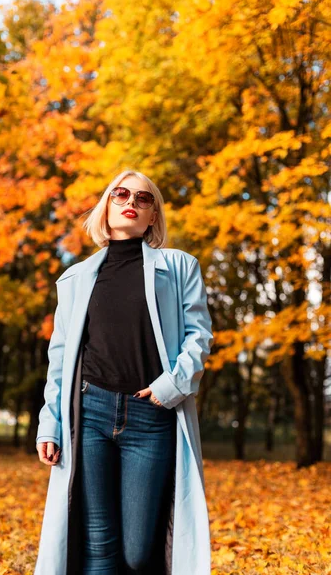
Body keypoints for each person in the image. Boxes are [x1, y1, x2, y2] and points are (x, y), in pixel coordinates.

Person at [34, 169, 214, 575]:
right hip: (91, 413)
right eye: (121, 194)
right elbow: (60, 356)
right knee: (98, 543)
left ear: (153, 216)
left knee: (137, 551)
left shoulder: (180, 267)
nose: (131, 201)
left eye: (143, 198)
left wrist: (170, 386)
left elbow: (199, 337)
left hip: (151, 416)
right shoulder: (76, 277)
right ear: (107, 206)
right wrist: (50, 424)